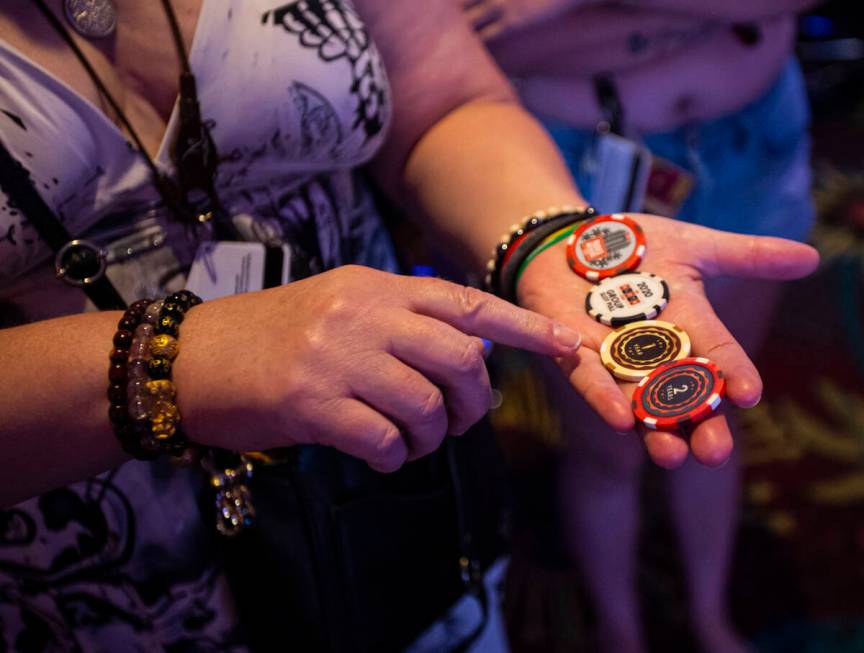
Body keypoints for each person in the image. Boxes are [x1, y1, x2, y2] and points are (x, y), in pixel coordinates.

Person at [0, 0, 818, 649]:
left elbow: (444, 98)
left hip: (389, 456)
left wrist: (542, 238)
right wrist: (176, 359)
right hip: (75, 564)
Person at [466, 0, 820, 651]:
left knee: (723, 408)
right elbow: (476, 41)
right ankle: (619, 629)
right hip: (564, 161)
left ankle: (712, 615)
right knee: (607, 445)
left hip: (750, 132)